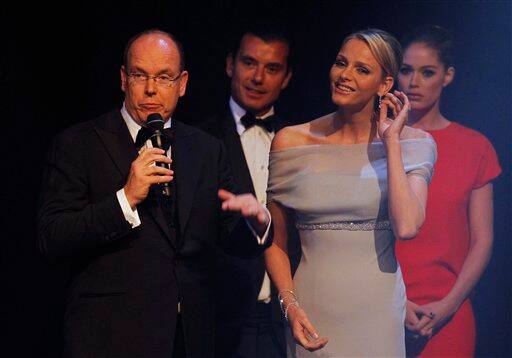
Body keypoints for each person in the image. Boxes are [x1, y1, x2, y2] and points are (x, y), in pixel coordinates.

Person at [37, 29, 272, 358]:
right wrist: (125, 199)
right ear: (123, 78)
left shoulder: (206, 149)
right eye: (139, 75)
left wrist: (257, 223)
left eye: (164, 77)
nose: (151, 89)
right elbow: (53, 238)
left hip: (189, 339)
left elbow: (230, 238)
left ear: (183, 83)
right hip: (110, 338)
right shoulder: (80, 144)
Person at [264, 28, 437, 357]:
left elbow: (407, 227)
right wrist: (291, 306)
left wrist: (391, 142)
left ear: (385, 85)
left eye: (362, 69)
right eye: (341, 63)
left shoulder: (415, 145)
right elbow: (275, 240)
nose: (344, 75)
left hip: (379, 313)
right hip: (312, 310)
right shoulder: (291, 142)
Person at [395, 25, 502, 357]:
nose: (414, 82)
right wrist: (393, 303)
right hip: (381, 306)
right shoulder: (379, 142)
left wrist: (448, 305)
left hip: (447, 315)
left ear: (448, 75)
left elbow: (482, 240)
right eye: (406, 70)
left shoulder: (474, 147)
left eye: (427, 72)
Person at [199, 26, 294, 358]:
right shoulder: (198, 141)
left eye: (272, 68)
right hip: (223, 320)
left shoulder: (302, 140)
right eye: (249, 63)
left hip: (289, 318)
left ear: (286, 77)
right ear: (230, 65)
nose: (258, 77)